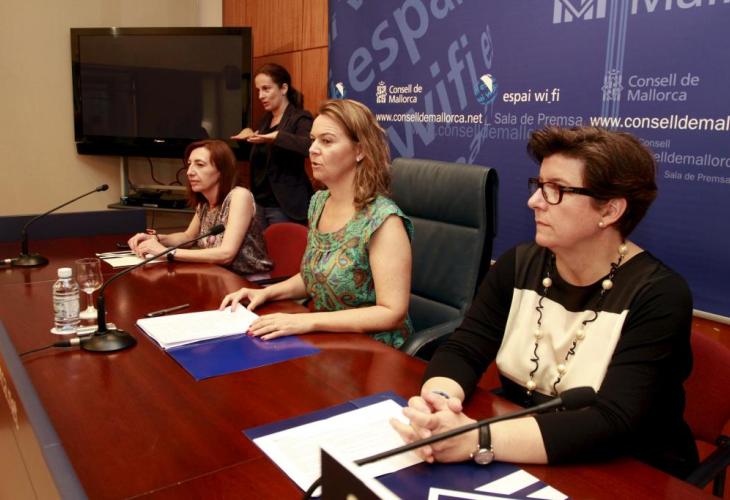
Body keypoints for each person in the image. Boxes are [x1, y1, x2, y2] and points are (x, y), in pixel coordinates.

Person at [392, 126, 699, 479]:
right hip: (522, 448)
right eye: (538, 185)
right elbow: (464, 350)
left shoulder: (659, 295)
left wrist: (478, 438)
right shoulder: (519, 265)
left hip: (625, 472)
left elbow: (612, 421)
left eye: (556, 190)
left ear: (610, 209)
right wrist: (438, 406)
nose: (534, 201)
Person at [220, 99, 414, 348]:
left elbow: (391, 312)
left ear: (360, 150)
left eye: (327, 141)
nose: (312, 149)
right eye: (313, 140)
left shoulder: (384, 221)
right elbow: (314, 277)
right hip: (328, 339)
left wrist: (306, 322)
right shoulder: (318, 202)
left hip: (375, 349)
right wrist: (264, 292)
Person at [128, 140, 272, 276]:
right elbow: (188, 237)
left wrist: (167, 252)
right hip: (215, 275)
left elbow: (226, 254)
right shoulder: (204, 203)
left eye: (200, 165)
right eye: (189, 164)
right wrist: (157, 238)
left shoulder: (240, 196)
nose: (189, 172)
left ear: (222, 170)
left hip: (247, 281)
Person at [231, 63, 313, 228]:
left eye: (266, 89)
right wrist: (247, 137)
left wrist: (277, 137)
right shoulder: (265, 120)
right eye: (258, 90)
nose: (261, 96)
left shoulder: (300, 118)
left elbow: (308, 146)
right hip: (260, 203)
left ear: (283, 88)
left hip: (284, 206)